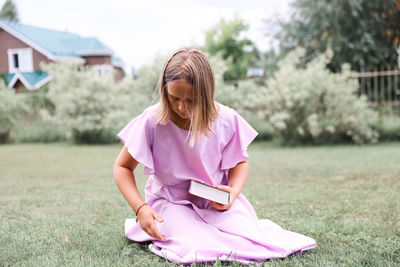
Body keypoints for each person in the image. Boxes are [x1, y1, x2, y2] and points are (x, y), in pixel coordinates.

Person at [113, 47, 316, 265]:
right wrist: (141, 208)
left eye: (191, 100)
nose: (182, 107)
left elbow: (240, 163)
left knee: (252, 239)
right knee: (194, 245)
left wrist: (232, 193)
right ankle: (193, 230)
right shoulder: (152, 120)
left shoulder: (226, 119)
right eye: (174, 98)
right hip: (170, 203)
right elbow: (122, 167)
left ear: (206, 93)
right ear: (164, 91)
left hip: (214, 201)